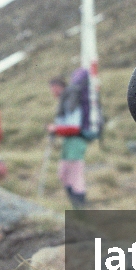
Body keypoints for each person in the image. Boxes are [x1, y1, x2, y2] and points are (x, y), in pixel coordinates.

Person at [48, 76, 90, 208]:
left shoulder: (71, 102)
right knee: (64, 174)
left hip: (75, 142)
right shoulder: (65, 101)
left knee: (75, 177)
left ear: (60, 87)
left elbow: (74, 127)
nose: (52, 92)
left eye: (54, 88)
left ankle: (80, 210)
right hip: (69, 142)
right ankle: (76, 207)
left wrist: (56, 129)